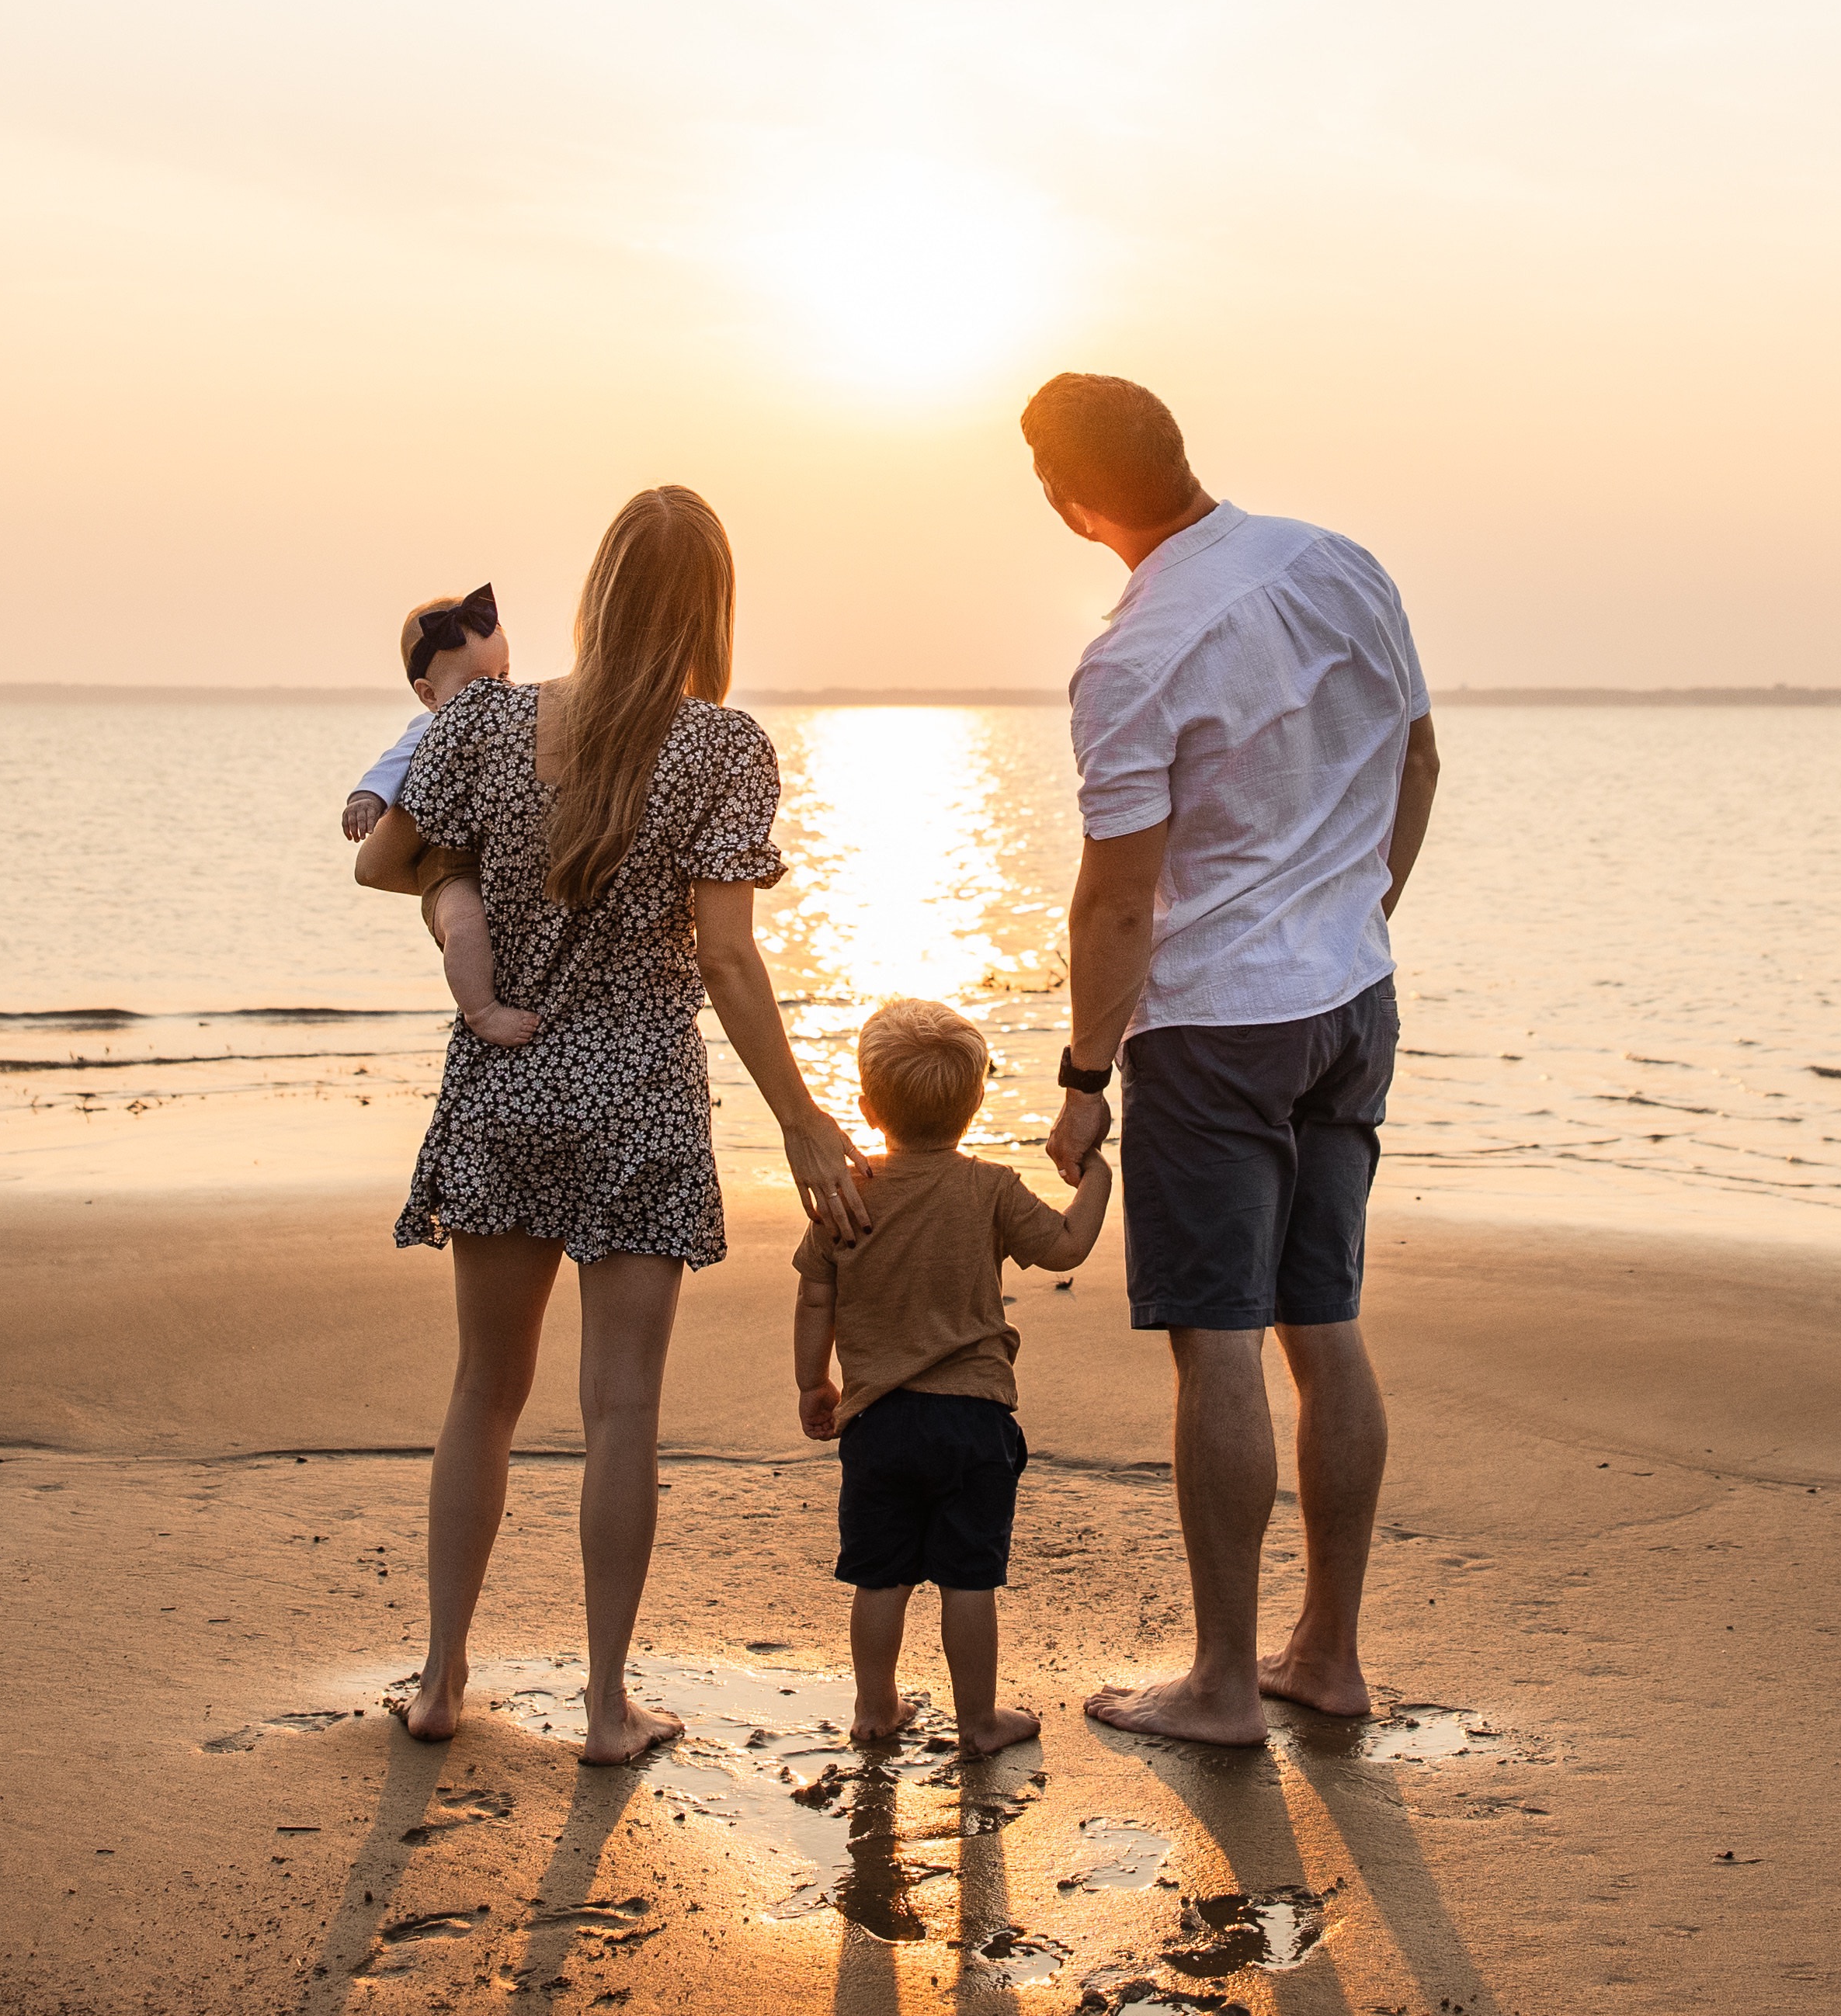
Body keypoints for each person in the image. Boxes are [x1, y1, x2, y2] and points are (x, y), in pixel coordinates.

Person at [353, 484, 876, 1764]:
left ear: (598, 588)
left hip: (501, 1088)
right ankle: (602, 1706)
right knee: (619, 1408)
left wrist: (455, 892)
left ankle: (441, 1681)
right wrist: (805, 1121)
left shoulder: (479, 716)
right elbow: (728, 958)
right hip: (636, 1098)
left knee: (484, 1389)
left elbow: (380, 860)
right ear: (709, 603)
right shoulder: (722, 746)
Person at [1022, 372, 1439, 1747]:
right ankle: (1324, 1652)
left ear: (1070, 502)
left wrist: (1084, 1082)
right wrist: (1354, 914)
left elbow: (1119, 900)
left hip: (1214, 1026)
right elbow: (1418, 759)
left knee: (1218, 1353)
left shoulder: (1132, 656)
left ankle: (1217, 1678)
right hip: (1349, 995)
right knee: (1322, 1324)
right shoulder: (1339, 562)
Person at [790, 997, 1113, 1756]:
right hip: (972, 1419)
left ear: (869, 1109)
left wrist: (813, 1380)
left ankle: (875, 1709)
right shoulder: (990, 1188)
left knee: (880, 1574)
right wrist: (1096, 1173)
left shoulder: (850, 1189)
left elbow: (815, 1292)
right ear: (974, 1104)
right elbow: (1067, 1245)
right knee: (970, 1576)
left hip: (877, 1422)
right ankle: (978, 1721)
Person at [339, 583, 535, 1048]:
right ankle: (482, 1010)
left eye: (503, 676)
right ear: (429, 694)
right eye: (475, 685)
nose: (494, 693)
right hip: (445, 865)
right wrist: (368, 797)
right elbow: (394, 763)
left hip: (493, 855)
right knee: (465, 921)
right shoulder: (431, 725)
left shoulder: (519, 715)